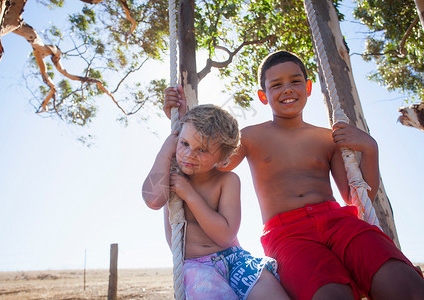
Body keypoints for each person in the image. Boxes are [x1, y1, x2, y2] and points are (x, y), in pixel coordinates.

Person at [163, 51, 424, 300]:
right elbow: (205, 161)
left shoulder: (328, 138)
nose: (287, 89)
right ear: (263, 96)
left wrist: (370, 148)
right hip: (287, 234)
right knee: (331, 295)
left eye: (295, 81)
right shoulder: (250, 137)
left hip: (339, 223)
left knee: (405, 286)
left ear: (308, 88)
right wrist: (185, 121)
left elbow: (356, 197)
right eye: (276, 84)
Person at [142, 104, 289, 300]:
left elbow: (225, 236)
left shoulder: (227, 181)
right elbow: (152, 200)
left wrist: (190, 195)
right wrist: (166, 150)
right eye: (184, 143)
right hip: (197, 268)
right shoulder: (169, 178)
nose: (188, 154)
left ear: (222, 158)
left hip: (236, 259)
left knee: (270, 292)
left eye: (201, 149)